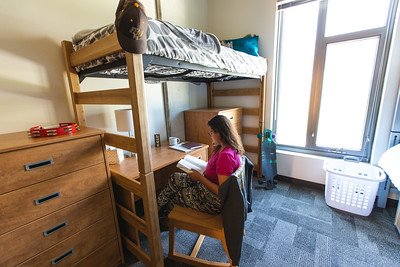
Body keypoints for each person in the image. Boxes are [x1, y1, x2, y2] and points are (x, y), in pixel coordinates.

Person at [157, 115, 244, 218]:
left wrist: (199, 177)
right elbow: (217, 171)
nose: (210, 135)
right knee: (174, 177)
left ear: (219, 133)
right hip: (207, 186)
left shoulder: (226, 156)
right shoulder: (225, 147)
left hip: (212, 200)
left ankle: (163, 218)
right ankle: (157, 208)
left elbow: (221, 192)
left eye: (211, 132)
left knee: (177, 195)